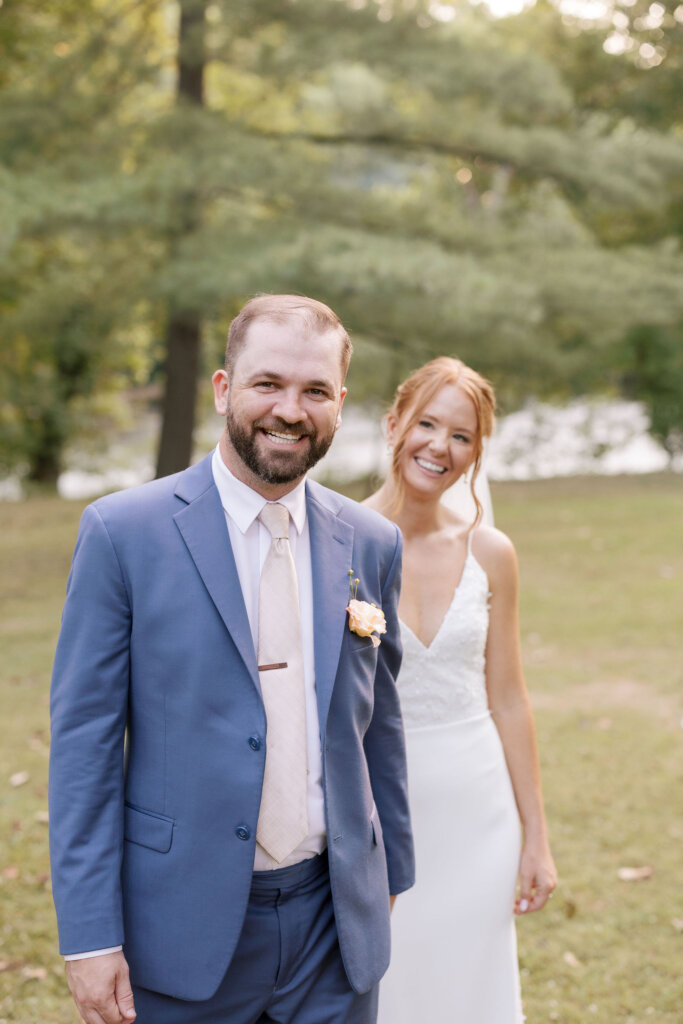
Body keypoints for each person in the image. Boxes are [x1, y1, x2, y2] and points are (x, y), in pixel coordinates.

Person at [49, 294, 415, 1024]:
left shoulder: (370, 542)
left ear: (339, 405)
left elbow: (379, 724)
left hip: (333, 928)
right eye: (267, 384)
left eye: (314, 391)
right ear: (223, 390)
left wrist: (390, 875)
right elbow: (84, 748)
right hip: (180, 927)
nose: (289, 409)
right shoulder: (124, 534)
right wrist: (89, 937)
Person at [365, 357, 557, 1023]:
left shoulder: (490, 552)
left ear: (476, 451)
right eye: (426, 424)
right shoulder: (339, 540)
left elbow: (508, 698)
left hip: (478, 814)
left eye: (461, 436)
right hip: (376, 815)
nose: (439, 447)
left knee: (470, 991)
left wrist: (535, 835)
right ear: (393, 423)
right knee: (385, 990)